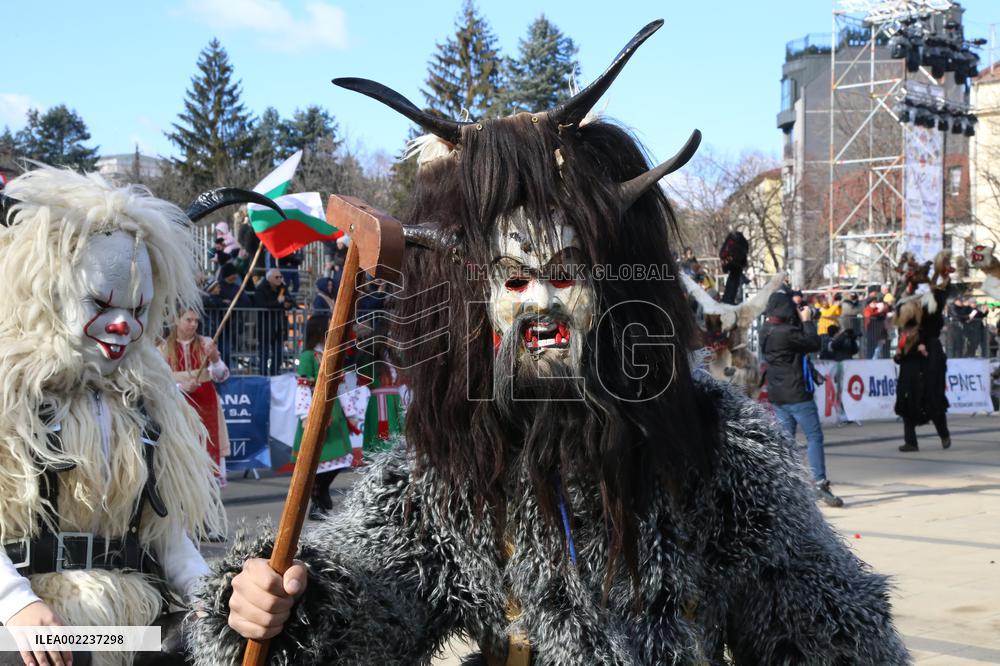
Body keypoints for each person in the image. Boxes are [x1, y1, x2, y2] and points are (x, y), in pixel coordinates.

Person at [189, 23, 905, 665]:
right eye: (514, 279)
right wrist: (281, 604)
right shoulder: (443, 472)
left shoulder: (720, 451)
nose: (543, 300)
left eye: (564, 273)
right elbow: (368, 602)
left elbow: (822, 618)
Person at [0, 166, 226, 666]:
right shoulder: (10, 388)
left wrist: (209, 596)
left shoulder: (147, 396)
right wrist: (15, 604)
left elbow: (163, 527)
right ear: (50, 292)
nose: (124, 322)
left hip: (131, 622)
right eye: (100, 302)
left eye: (138, 308)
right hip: (34, 622)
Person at [761, 290, 843, 507]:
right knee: (814, 437)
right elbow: (813, 343)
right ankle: (819, 483)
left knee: (786, 442)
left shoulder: (766, 330)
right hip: (797, 394)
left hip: (777, 395)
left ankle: (786, 486)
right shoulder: (786, 333)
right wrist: (806, 321)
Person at [292, 315, 362, 520]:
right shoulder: (308, 356)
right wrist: (305, 414)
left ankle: (321, 493)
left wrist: (351, 413)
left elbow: (341, 385)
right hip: (316, 409)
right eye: (329, 326)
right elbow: (303, 387)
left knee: (341, 460)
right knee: (317, 459)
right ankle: (316, 502)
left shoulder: (332, 353)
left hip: (334, 411)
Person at [161, 309, 231, 487]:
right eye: (188, 320)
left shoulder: (206, 343)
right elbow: (158, 383)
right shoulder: (161, 348)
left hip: (206, 402)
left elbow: (221, 376)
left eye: (196, 321)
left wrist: (215, 358)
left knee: (208, 443)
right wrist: (180, 387)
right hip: (177, 403)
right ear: (176, 320)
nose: (193, 324)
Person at [895, 287, 951, 452]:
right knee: (906, 402)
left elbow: (936, 307)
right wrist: (900, 355)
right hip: (909, 370)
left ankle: (944, 434)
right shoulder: (907, 328)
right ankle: (911, 441)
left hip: (927, 368)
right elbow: (902, 350)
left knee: (932, 401)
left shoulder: (930, 322)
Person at [253, 268, 294, 375]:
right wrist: (279, 303)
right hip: (266, 326)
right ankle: (263, 375)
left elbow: (290, 300)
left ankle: (274, 373)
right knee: (264, 354)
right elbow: (262, 305)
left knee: (279, 354)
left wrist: (287, 304)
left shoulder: (282, 287)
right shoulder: (261, 289)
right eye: (277, 277)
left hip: (279, 326)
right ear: (269, 278)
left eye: (280, 277)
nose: (279, 279)